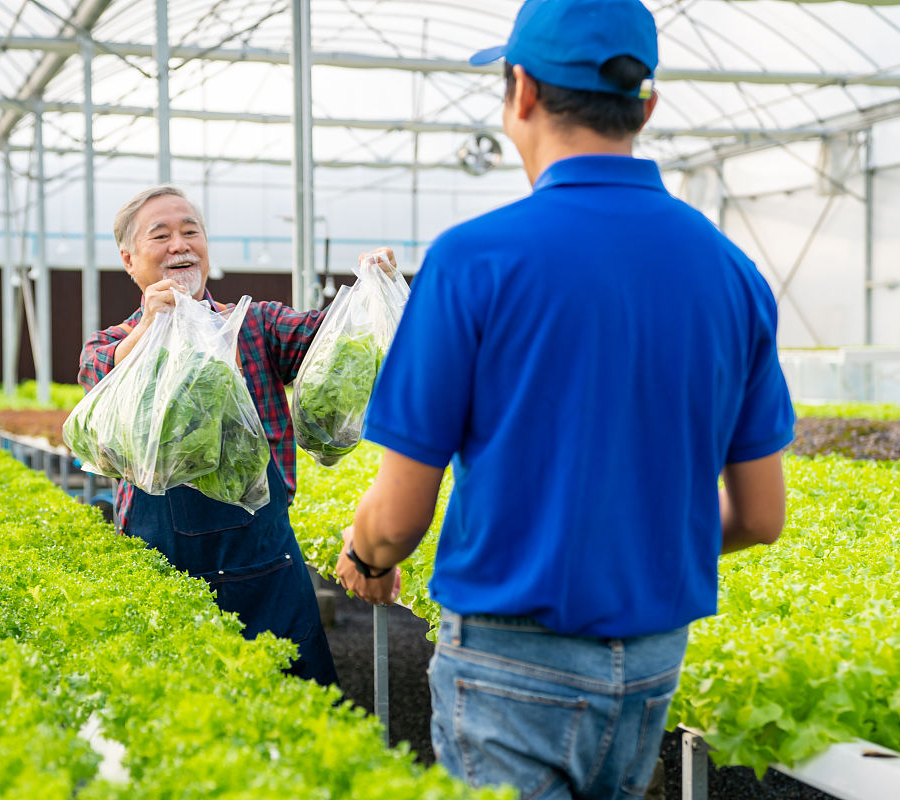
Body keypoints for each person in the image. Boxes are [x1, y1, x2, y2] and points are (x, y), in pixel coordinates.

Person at [334, 0, 794, 796]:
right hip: (652, 660)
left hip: (509, 664)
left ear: (520, 93)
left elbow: (398, 518)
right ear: (645, 107)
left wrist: (365, 555)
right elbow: (759, 516)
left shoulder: (473, 262)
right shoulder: (731, 274)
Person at [78, 184, 393, 687]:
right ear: (130, 260)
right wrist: (148, 334)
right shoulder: (114, 343)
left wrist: (375, 288)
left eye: (191, 231)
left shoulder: (255, 325)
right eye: (161, 236)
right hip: (163, 567)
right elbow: (99, 377)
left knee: (298, 708)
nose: (180, 244)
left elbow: (328, 334)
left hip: (266, 565)